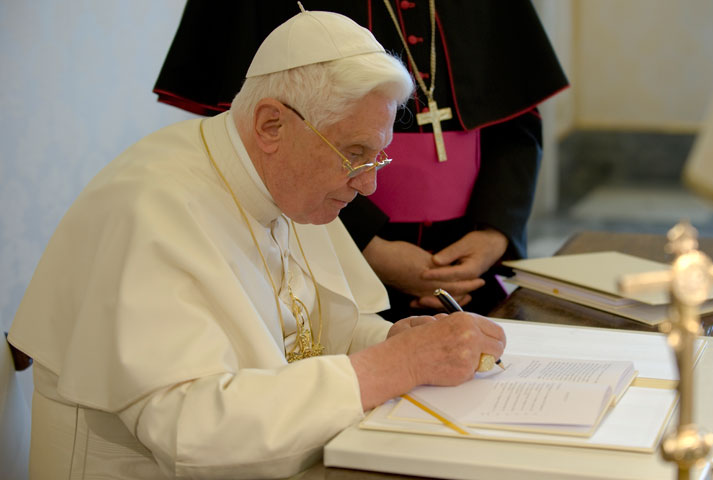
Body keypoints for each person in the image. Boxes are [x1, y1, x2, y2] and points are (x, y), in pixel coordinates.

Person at [8, 9, 506, 479]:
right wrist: (397, 365)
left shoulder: (290, 185)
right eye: (355, 154)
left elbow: (322, 330)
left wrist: (395, 343)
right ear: (272, 124)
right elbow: (190, 433)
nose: (369, 186)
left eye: (376, 158)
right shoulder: (151, 207)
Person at [153, 0, 569, 320]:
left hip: (471, 260)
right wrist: (370, 249)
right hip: (324, 248)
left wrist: (495, 232)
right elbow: (249, 138)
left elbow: (517, 121)